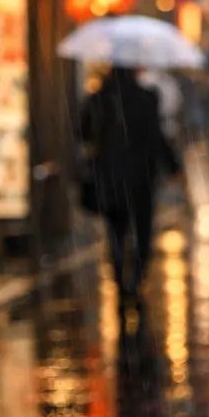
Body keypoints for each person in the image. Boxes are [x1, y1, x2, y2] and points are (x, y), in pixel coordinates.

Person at [80, 65, 177, 308]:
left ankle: (120, 278)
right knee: (142, 231)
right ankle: (137, 278)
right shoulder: (146, 98)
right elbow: (156, 136)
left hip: (110, 177)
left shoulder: (98, 99)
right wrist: (173, 165)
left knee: (116, 230)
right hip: (141, 178)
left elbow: (82, 132)